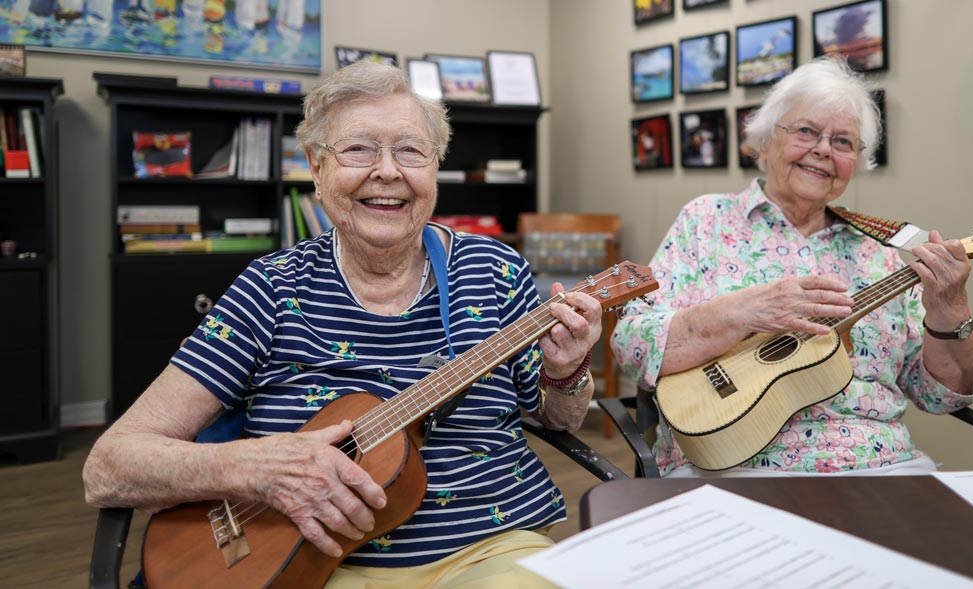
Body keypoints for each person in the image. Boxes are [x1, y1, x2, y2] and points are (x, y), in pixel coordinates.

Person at [83, 61, 603, 588]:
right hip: (317, 564)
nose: (387, 171)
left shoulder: (495, 269)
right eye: (358, 149)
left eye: (410, 151)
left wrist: (565, 372)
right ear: (315, 166)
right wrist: (261, 469)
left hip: (491, 554)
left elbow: (560, 419)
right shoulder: (270, 288)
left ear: (434, 167)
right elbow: (109, 466)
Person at [611, 57, 973, 477]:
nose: (824, 149)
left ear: (855, 164)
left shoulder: (875, 251)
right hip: (734, 463)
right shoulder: (707, 221)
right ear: (764, 142)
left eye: (843, 142)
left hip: (879, 465)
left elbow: (941, 396)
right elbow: (631, 345)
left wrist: (950, 310)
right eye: (806, 131)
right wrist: (738, 313)